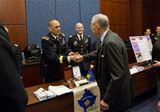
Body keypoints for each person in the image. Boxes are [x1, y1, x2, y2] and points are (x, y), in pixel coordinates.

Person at [74, 14, 132, 112]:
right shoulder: (111, 37)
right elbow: (99, 52)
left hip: (115, 99)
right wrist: (83, 57)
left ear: (97, 26)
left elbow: (117, 75)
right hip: (118, 94)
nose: (91, 28)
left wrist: (106, 99)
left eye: (91, 26)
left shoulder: (110, 43)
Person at [0, 21, 28, 111]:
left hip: (15, 74)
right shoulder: (5, 46)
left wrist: (18, 74)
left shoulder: (14, 47)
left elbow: (18, 62)